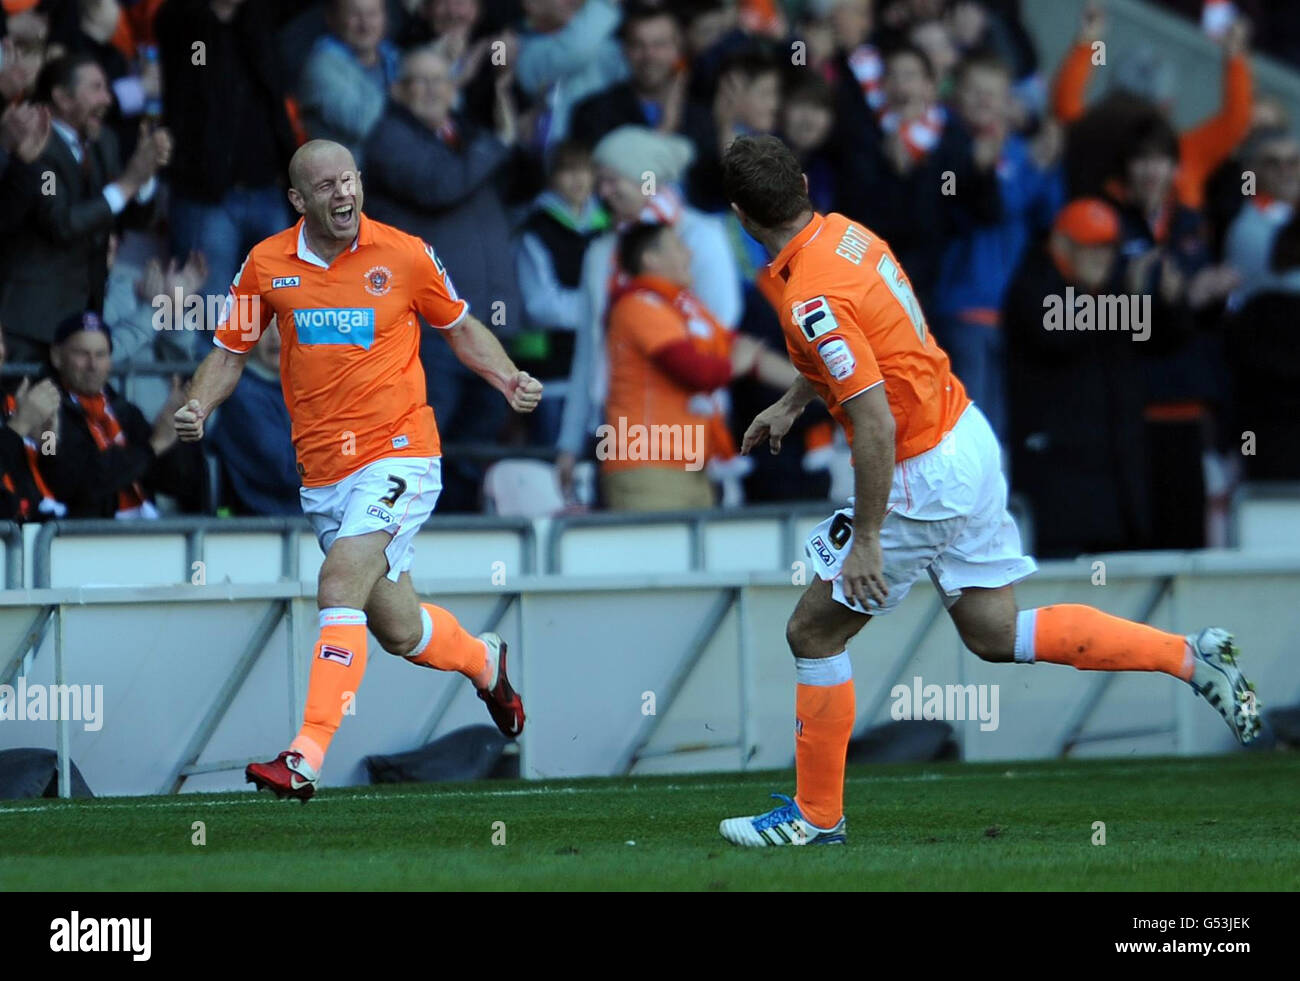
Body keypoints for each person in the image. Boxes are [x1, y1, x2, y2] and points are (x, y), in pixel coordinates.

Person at [715, 135, 1261, 848]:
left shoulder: (806, 295)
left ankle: (817, 816)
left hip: (920, 469)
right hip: (965, 433)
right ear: (802, 186)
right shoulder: (847, 235)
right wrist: (793, 405)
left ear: (740, 215)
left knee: (812, 630)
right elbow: (867, 350)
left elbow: (873, 422)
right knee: (995, 633)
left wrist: (871, 538)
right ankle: (1191, 656)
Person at [175, 140, 542, 801]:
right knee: (401, 629)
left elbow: (458, 327)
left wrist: (507, 376)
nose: (342, 194)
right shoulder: (267, 264)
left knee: (338, 580)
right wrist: (198, 403)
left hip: (401, 451)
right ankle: (486, 663)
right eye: (325, 186)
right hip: (324, 474)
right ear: (299, 200)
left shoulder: (403, 252)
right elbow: (229, 352)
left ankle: (304, 753)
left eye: (349, 180)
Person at [40, 310, 202, 518]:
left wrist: (179, 434)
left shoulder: (125, 412)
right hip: (83, 539)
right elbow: (68, 483)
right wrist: (152, 446)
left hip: (144, 535)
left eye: (101, 354)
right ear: (57, 356)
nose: (93, 365)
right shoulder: (43, 411)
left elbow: (176, 483)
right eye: (82, 354)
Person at [207, 320, 301, 516]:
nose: (275, 336)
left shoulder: (303, 385)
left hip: (306, 524)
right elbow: (283, 470)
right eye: (265, 326)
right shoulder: (240, 394)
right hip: (258, 529)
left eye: (282, 324)